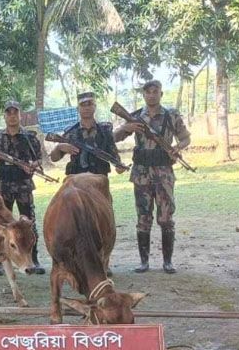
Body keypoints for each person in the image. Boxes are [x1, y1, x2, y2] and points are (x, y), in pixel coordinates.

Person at [114, 80, 191, 274]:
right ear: (144, 95)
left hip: (163, 172)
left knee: (166, 218)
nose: (151, 95)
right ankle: (144, 262)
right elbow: (113, 138)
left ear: (161, 94)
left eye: (155, 92)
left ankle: (167, 262)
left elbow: (185, 137)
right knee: (143, 217)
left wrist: (177, 148)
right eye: (147, 92)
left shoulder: (171, 115)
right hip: (141, 173)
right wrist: (127, 128)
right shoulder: (135, 117)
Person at [0, 100, 44, 275]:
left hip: (23, 184)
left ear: (20, 115)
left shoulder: (30, 137)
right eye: (8, 113)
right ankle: (0, 261)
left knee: (29, 222)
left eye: (15, 113)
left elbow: (39, 158)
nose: (12, 116)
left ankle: (33, 259)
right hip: (3, 185)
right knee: (2, 225)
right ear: (4, 116)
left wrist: (33, 164)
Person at [48, 91, 125, 176]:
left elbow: (114, 155)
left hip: (99, 181)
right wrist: (59, 147)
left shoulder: (105, 131)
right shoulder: (71, 132)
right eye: (83, 105)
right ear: (78, 109)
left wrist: (119, 166)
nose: (86, 108)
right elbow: (54, 158)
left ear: (95, 107)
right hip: (77, 181)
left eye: (90, 104)